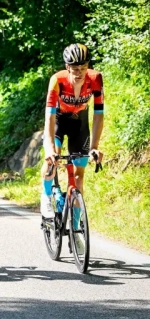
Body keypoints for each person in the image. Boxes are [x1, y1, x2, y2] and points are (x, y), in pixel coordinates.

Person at [40, 43, 104, 219]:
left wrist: (95, 147)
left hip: (79, 123)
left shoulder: (96, 78)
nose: (79, 72)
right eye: (75, 68)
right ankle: (46, 196)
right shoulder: (57, 80)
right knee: (52, 160)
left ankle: (77, 228)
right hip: (58, 121)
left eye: (83, 67)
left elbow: (99, 114)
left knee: (78, 176)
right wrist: (50, 147)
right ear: (67, 67)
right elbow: (50, 117)